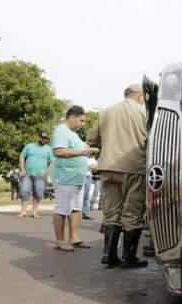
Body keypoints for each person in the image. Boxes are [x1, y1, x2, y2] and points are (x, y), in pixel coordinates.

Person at [87, 84, 148, 268]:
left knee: (111, 213)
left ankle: (109, 255)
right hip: (134, 167)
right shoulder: (145, 113)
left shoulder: (106, 112)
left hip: (108, 167)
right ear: (139, 97)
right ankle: (129, 258)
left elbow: (91, 139)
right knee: (132, 215)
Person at [50, 106, 99, 251]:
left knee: (75, 209)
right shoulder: (61, 131)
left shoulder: (72, 133)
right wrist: (83, 152)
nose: (82, 124)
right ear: (72, 117)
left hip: (77, 178)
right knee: (62, 209)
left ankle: (74, 238)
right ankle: (60, 241)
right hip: (65, 178)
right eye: (81, 121)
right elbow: (59, 151)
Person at [18, 132, 53, 218]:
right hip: (27, 173)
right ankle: (23, 212)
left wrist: (46, 172)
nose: (44, 139)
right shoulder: (29, 146)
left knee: (38, 193)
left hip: (40, 175)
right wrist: (22, 169)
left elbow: (52, 162)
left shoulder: (48, 149)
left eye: (46, 138)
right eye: (43, 137)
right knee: (24, 191)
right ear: (38, 137)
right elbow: (22, 156)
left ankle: (34, 212)